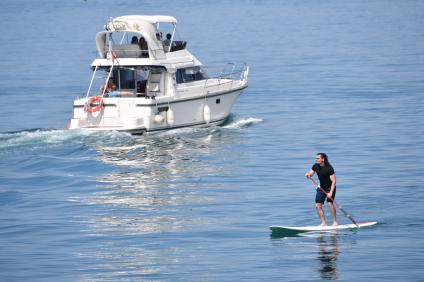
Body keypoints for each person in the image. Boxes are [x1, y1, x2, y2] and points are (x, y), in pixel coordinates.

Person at [305, 153, 337, 226]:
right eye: (316, 158)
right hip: (321, 187)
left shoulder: (329, 168)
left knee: (329, 204)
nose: (316, 159)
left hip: (330, 187)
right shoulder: (315, 166)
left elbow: (334, 181)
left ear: (323, 159)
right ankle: (323, 223)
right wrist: (308, 174)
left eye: (318, 158)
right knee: (317, 205)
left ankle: (335, 222)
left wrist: (331, 193)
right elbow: (310, 173)